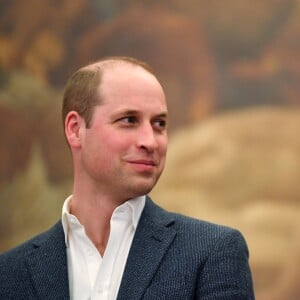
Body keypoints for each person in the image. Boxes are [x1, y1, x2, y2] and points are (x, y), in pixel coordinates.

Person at [0, 56, 255, 299]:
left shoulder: (212, 252)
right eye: (129, 120)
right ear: (75, 130)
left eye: (159, 124)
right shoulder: (10, 273)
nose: (150, 141)